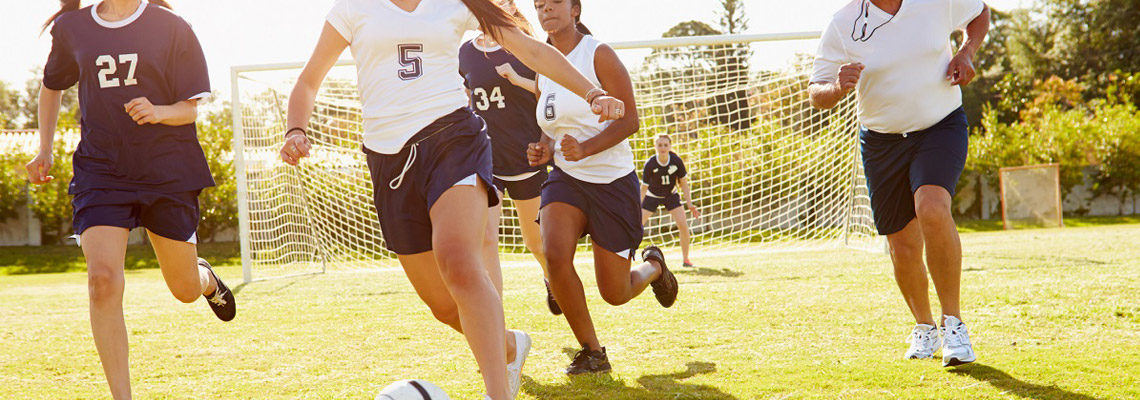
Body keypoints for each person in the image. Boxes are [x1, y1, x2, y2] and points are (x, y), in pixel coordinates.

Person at [278, 0, 625, 397]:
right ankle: (508, 345)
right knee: (444, 306)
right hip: (388, 161)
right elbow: (308, 81)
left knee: (459, 261)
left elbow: (530, 48)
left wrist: (593, 92)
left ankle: (497, 393)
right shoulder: (353, 8)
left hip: (453, 139)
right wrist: (295, 130)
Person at [26, 1, 237, 398]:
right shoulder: (73, 27)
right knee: (102, 281)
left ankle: (205, 279)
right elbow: (51, 86)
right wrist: (45, 149)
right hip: (102, 170)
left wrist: (158, 111)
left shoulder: (171, 26)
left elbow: (189, 110)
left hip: (166, 170)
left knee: (184, 289)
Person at [808, 0, 990, 367]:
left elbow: (980, 12)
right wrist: (837, 88)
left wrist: (966, 52)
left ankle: (954, 325)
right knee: (903, 244)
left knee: (932, 207)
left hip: (940, 125)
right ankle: (924, 327)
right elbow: (816, 91)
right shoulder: (843, 22)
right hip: (881, 140)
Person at [527, 0, 678, 375]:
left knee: (615, 292)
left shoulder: (599, 54)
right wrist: (543, 147)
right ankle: (593, 352)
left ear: (575, 9)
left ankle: (654, 267)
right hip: (566, 179)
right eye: (539, 4)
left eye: (555, 2)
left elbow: (630, 120)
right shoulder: (542, 66)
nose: (546, 9)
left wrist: (587, 148)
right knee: (555, 255)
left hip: (612, 182)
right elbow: (551, 125)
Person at [458, 0, 561, 316]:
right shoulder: (465, 52)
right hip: (486, 158)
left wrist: (518, 79)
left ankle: (552, 280)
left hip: (526, 158)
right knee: (486, 239)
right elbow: (463, 94)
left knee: (536, 243)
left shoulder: (524, 45)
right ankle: (495, 326)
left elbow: (552, 93)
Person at [639, 134, 701, 267]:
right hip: (652, 196)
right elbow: (644, 188)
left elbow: (683, 183)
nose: (662, 147)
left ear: (670, 146)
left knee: (683, 225)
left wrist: (689, 204)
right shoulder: (650, 164)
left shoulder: (676, 161)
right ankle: (628, 256)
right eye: (660, 145)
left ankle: (686, 260)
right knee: (636, 226)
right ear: (655, 146)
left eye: (665, 145)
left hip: (670, 195)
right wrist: (637, 206)